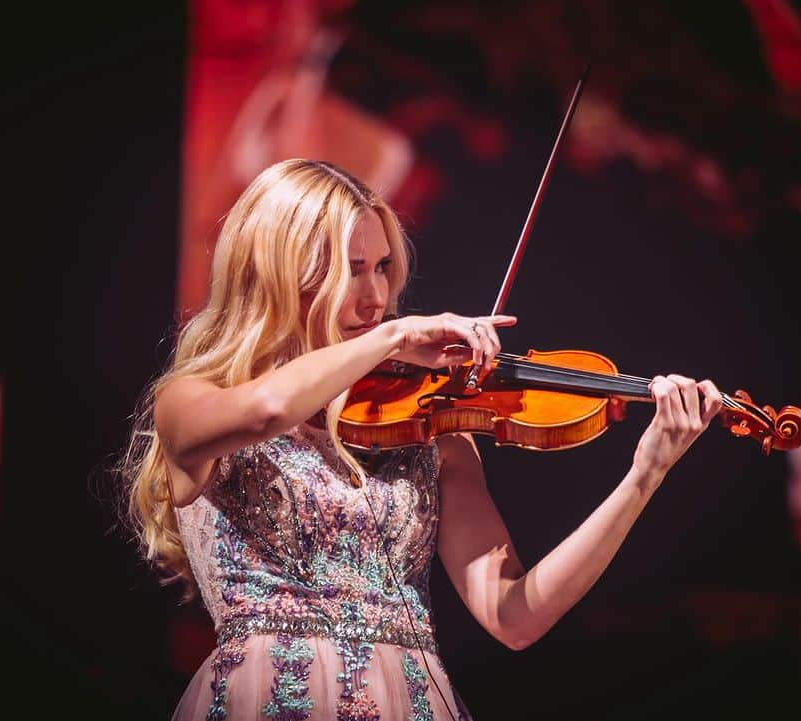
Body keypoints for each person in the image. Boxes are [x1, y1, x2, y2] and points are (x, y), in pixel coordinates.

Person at [121, 158, 723, 720]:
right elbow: (270, 408)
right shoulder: (192, 400)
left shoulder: (428, 430)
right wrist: (392, 337)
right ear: (278, 272)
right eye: (349, 270)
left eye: (382, 267)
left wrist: (644, 477)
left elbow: (515, 616)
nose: (376, 298)